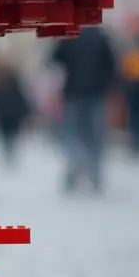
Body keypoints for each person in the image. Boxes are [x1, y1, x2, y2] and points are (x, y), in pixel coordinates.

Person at [49, 25, 117, 192]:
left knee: (72, 132)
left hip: (73, 92)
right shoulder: (102, 37)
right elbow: (112, 65)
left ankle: (75, 163)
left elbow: (54, 59)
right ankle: (95, 173)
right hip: (96, 93)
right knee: (95, 135)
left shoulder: (69, 36)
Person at [0, 56, 31, 164]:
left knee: (8, 135)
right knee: (10, 135)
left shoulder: (1, 83)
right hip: (10, 115)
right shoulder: (3, 84)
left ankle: (9, 152)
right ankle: (10, 152)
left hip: (8, 115)